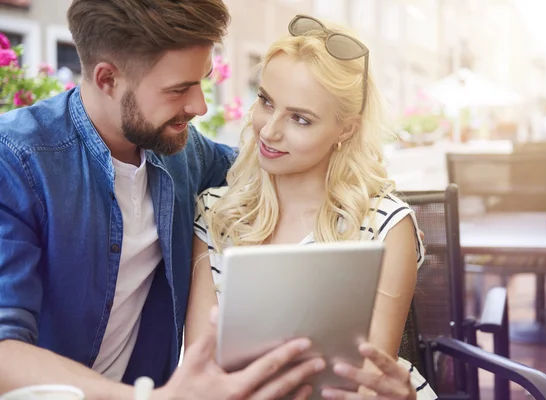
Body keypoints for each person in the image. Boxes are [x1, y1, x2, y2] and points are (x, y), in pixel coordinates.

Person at [0, 1, 334, 399]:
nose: (199, 106)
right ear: (107, 78)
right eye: (178, 90)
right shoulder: (16, 160)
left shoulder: (183, 151)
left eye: (202, 82)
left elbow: (272, 172)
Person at [186, 14, 438, 400]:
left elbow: (370, 373)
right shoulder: (216, 212)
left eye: (300, 119)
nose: (269, 130)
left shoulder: (384, 223)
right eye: (266, 101)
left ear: (346, 130)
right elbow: (202, 368)